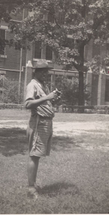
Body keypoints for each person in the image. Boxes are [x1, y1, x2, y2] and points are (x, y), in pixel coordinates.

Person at [25, 59, 61, 199]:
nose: (47, 75)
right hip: (38, 122)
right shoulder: (32, 85)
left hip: (46, 123)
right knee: (34, 155)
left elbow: (45, 102)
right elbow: (28, 104)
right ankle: (30, 189)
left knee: (37, 155)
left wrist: (54, 99)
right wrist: (47, 97)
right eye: (44, 72)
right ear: (37, 72)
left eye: (47, 72)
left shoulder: (41, 85)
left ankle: (32, 184)